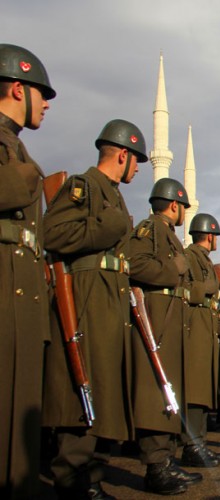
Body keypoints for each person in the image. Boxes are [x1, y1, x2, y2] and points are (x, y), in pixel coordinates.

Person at [43, 119, 146, 498]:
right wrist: (109, 225)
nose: (137, 168)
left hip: (110, 296)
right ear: (122, 154)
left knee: (104, 388)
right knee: (82, 386)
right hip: (87, 295)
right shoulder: (83, 187)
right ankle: (73, 480)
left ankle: (92, 476)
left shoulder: (112, 193)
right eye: (136, 161)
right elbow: (52, 234)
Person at [0, 43, 56, 499]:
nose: (48, 103)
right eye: (42, 92)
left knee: (19, 408)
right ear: (18, 88)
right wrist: (33, 176)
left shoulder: (16, 148)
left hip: (22, 294)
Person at [129, 178, 203, 495]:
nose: (184, 211)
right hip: (156, 316)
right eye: (183, 206)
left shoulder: (167, 234)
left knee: (168, 392)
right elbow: (135, 264)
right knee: (156, 392)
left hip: (171, 317)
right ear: (175, 205)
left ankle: (166, 460)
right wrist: (174, 268)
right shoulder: (151, 229)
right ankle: (156, 466)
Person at [180, 213, 220, 468]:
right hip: (194, 326)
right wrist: (207, 289)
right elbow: (183, 288)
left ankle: (199, 444)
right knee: (195, 389)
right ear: (209, 235)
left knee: (203, 389)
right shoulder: (189, 257)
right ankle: (192, 445)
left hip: (206, 325)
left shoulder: (204, 260)